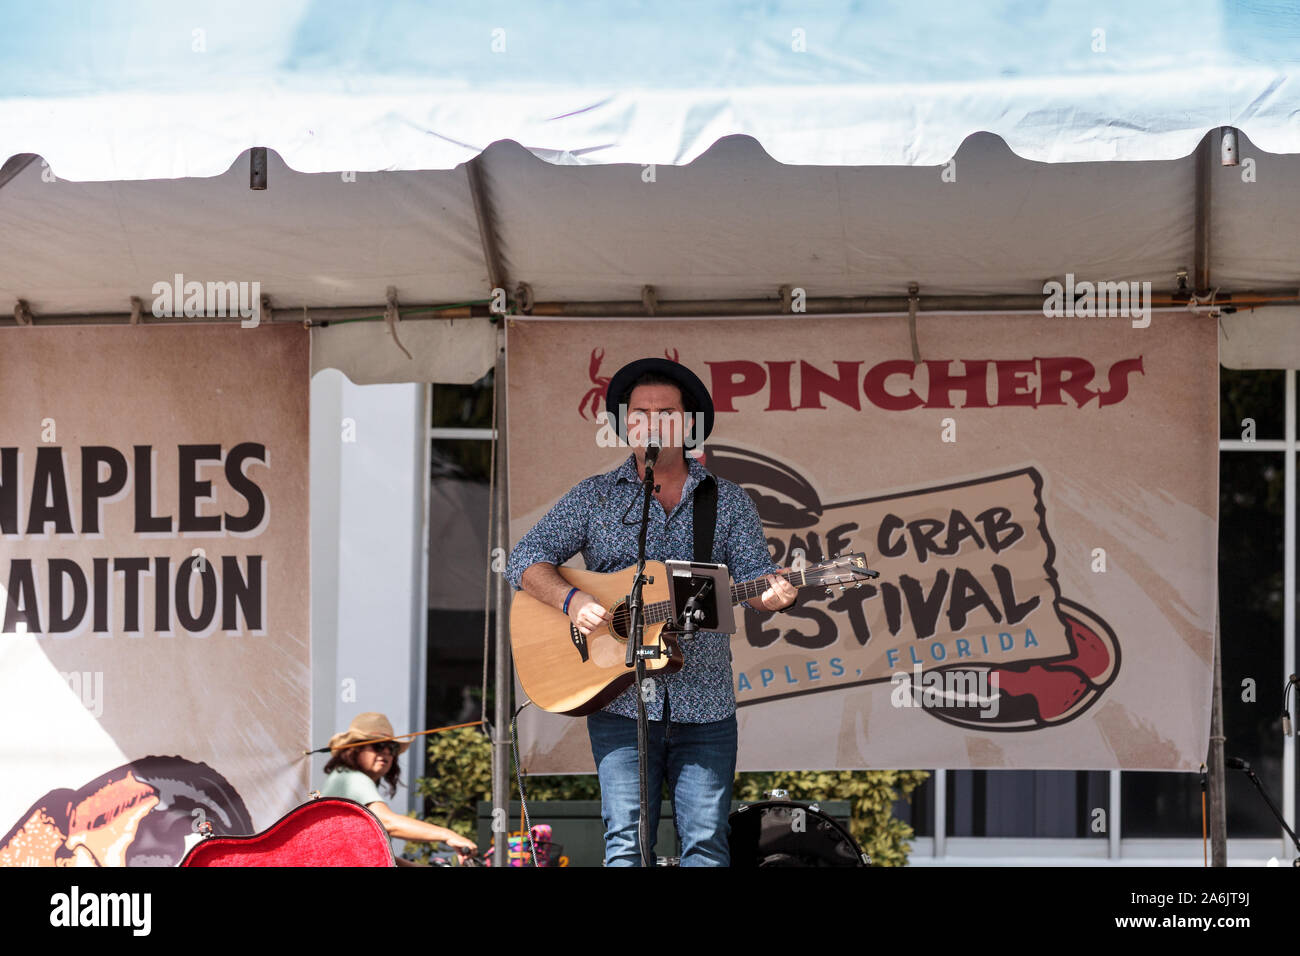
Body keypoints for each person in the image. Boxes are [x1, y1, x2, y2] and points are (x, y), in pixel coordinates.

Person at [506, 356, 797, 866]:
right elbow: (525, 561)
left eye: (665, 413)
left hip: (704, 703)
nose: (652, 423)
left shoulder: (727, 502)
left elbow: (756, 582)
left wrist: (775, 594)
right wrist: (574, 602)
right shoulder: (595, 498)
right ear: (625, 425)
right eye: (639, 413)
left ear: (688, 424)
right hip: (619, 702)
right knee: (626, 845)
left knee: (706, 845)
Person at [320, 712, 477, 858]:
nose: (387, 752)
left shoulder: (343, 775)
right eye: (378, 746)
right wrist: (447, 835)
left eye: (392, 747)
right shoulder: (352, 779)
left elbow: (370, 857)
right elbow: (387, 822)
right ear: (355, 748)